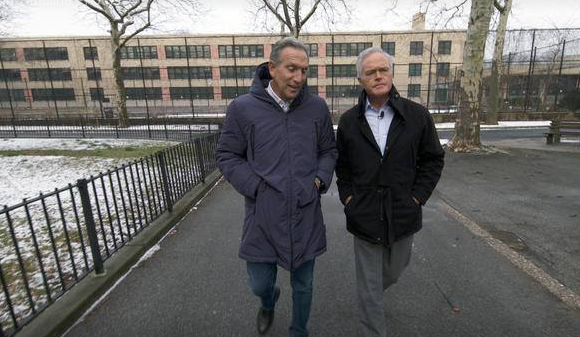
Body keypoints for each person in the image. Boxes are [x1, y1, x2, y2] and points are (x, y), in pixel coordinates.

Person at [216, 37, 337, 337]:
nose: (299, 78)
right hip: (263, 215)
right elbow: (227, 155)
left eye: (304, 71)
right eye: (291, 69)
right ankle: (268, 303)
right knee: (259, 283)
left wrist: (319, 179)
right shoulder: (242, 108)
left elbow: (328, 151)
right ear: (272, 68)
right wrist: (257, 188)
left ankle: (299, 330)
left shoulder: (316, 108)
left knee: (304, 284)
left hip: (305, 211)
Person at [336, 47, 445, 337]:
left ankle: (369, 293)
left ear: (391, 73)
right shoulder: (348, 122)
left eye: (383, 69)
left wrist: (417, 197)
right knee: (370, 287)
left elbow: (433, 159)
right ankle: (372, 320)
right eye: (370, 72)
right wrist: (349, 199)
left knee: (394, 271)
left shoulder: (417, 116)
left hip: (403, 211)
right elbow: (342, 167)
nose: (378, 76)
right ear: (361, 79)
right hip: (364, 214)